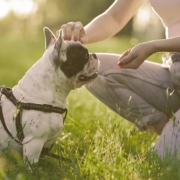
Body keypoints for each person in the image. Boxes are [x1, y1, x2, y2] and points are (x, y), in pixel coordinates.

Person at [59, 0, 180, 159]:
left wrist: (154, 46)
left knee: (162, 164)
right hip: (174, 72)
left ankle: (170, 140)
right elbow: (114, 17)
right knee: (96, 71)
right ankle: (165, 131)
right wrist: (80, 36)